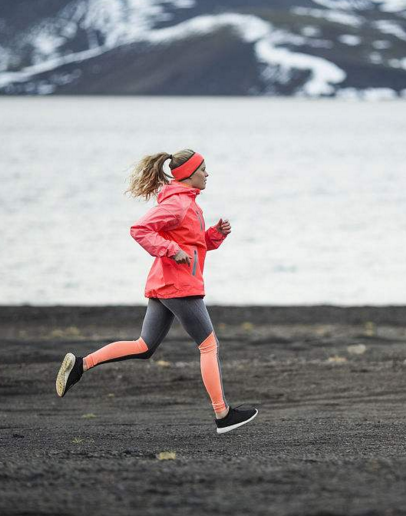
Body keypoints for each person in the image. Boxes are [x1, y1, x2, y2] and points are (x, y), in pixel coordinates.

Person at [55, 149, 258, 434]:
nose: (207, 174)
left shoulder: (187, 204)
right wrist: (170, 250)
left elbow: (193, 245)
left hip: (165, 284)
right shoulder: (179, 205)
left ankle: (80, 364)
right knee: (209, 346)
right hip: (179, 287)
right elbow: (140, 229)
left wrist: (214, 235)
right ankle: (222, 414)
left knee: (144, 346)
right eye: (203, 169)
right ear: (188, 174)